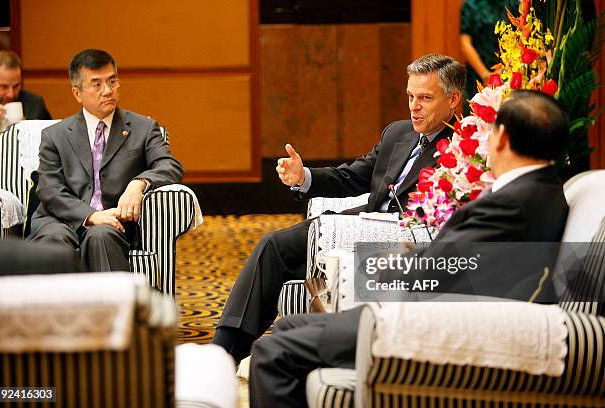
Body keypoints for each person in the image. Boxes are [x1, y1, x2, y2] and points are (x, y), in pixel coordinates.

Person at [249, 90, 570, 408]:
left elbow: (436, 270)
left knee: (272, 351)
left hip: (436, 326)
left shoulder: (513, 202)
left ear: (500, 139)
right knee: (288, 326)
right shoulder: (542, 190)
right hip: (449, 310)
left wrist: (396, 258)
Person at [212, 54, 466, 363]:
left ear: (453, 99)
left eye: (425, 98)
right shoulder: (398, 133)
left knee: (280, 250)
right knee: (273, 246)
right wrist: (303, 177)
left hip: (401, 240)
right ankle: (224, 351)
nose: (414, 106)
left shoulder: (463, 149)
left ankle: (241, 354)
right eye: (410, 96)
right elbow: (353, 177)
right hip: (354, 225)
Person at [28, 49, 184, 272]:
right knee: (54, 239)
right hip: (60, 220)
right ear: (77, 93)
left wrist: (139, 183)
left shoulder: (143, 128)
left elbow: (170, 165)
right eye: (97, 84)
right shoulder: (55, 135)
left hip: (114, 222)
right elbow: (49, 189)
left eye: (113, 81)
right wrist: (90, 215)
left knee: (101, 235)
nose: (108, 91)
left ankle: (111, 307)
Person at [0, 50, 52, 176]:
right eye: (3, 87)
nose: (11, 94)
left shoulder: (34, 103)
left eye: (16, 86)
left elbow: (52, 140)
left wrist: (27, 129)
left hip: (21, 173)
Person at [460, 0, 517, 112]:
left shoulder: (512, 4)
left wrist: (502, 71)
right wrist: (485, 75)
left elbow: (519, 37)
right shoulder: (470, 5)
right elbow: (465, 44)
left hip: (507, 72)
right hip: (477, 75)